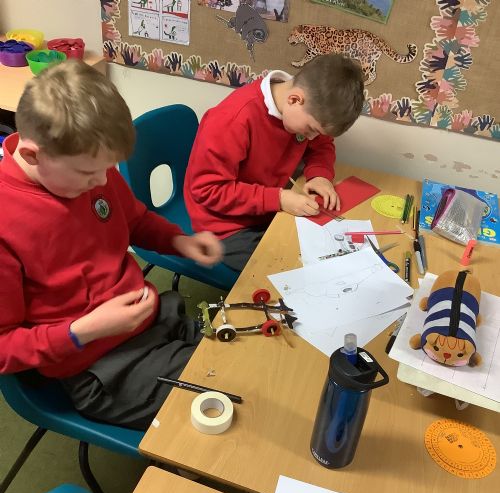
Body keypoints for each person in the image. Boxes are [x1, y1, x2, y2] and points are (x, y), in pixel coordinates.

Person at [0, 59, 223, 430]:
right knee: (231, 402)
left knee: (246, 359)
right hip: (101, 366)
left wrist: (178, 241)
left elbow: (133, 220)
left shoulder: (88, 170)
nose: (103, 181)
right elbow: (4, 346)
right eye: (89, 173)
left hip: (152, 321)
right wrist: (85, 329)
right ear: (32, 155)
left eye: (108, 168)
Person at [184, 54, 365, 272]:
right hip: (223, 224)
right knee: (289, 272)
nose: (311, 138)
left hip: (266, 208)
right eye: (311, 129)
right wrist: (278, 199)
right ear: (294, 100)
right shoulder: (233, 119)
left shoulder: (304, 108)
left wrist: (320, 175)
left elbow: (322, 145)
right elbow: (207, 190)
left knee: (320, 253)